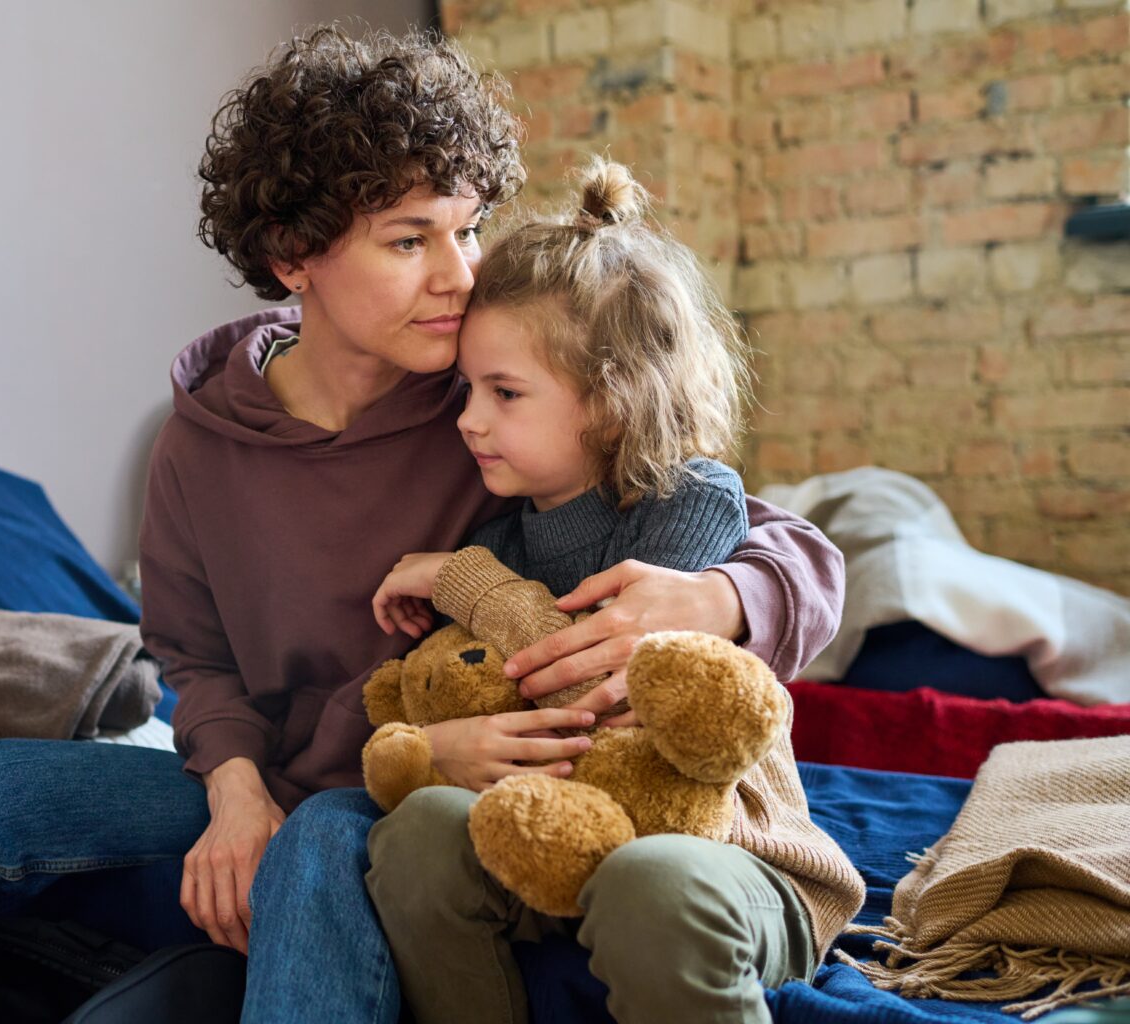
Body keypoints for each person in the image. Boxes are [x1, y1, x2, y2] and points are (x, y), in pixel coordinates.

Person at [0, 27, 845, 1024]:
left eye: (469, 227)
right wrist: (232, 785)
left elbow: (758, 524)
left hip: (385, 785)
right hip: (265, 768)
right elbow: (193, 655)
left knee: (322, 846)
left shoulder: (488, 401)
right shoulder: (200, 443)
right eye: (410, 238)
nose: (461, 273)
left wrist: (720, 596)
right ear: (295, 260)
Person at [363, 161, 864, 1024]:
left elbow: (595, 681)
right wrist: (439, 741)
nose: (468, 419)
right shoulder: (500, 537)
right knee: (415, 833)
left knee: (651, 877)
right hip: (554, 839)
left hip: (726, 855)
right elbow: (481, 685)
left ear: (610, 403)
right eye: (468, 390)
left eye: (504, 393)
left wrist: (463, 582)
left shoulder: (688, 500)